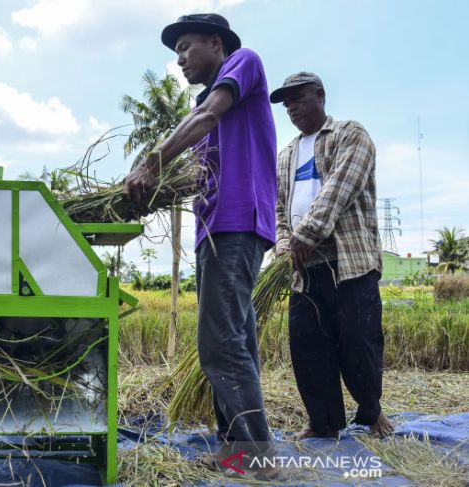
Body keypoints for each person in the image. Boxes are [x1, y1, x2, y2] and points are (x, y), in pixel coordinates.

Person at [123, 13, 279, 477]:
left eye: (186, 47)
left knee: (218, 343)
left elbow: (209, 115)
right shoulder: (203, 103)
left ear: (217, 44)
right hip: (214, 229)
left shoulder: (243, 63)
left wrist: (151, 162)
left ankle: (258, 454)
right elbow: (197, 166)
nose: (180, 60)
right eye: (176, 53)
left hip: (236, 223)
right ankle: (236, 450)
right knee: (236, 338)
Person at [270, 72, 394, 438]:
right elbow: (278, 208)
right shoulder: (287, 155)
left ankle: (371, 414)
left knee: (360, 343)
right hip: (303, 269)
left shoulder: (350, 135)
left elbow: (339, 188)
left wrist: (306, 233)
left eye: (298, 98)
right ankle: (323, 422)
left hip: (348, 262)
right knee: (308, 346)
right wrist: (283, 246)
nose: (292, 107)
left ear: (320, 96)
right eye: (286, 103)